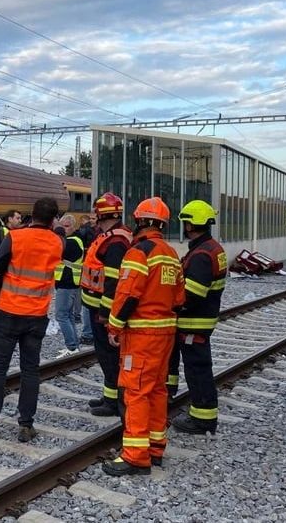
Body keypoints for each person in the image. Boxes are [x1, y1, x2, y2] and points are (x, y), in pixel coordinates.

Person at [102, 197, 184, 476]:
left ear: (140, 221)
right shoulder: (170, 253)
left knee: (135, 391)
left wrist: (114, 327)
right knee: (157, 389)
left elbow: (127, 295)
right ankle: (154, 447)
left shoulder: (139, 252)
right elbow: (179, 297)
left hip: (141, 334)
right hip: (165, 333)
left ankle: (136, 456)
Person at [0, 197, 65, 443]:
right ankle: (26, 425)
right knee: (30, 370)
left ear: (31, 215)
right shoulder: (56, 242)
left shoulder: (15, 237)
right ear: (52, 218)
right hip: (36, 314)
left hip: (7, 310)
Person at [169, 200, 227, 435]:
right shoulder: (212, 248)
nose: (184, 226)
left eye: (185, 222)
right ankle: (202, 414)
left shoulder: (201, 254)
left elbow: (192, 295)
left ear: (192, 224)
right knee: (198, 367)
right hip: (203, 319)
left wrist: (171, 307)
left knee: (197, 369)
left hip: (194, 322)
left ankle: (202, 418)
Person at [80, 193, 133, 417]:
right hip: (97, 307)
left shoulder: (115, 242)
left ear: (102, 214)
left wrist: (106, 314)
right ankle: (109, 397)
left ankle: (114, 403)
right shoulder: (112, 236)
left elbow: (113, 282)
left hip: (104, 311)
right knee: (105, 356)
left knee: (110, 357)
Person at [52, 214, 85, 358]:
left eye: (66, 226)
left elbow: (56, 252)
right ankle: (74, 346)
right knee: (69, 315)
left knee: (61, 315)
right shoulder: (73, 240)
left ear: (73, 226)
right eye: (62, 226)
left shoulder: (72, 241)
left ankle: (71, 346)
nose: (64, 230)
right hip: (68, 283)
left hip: (67, 282)